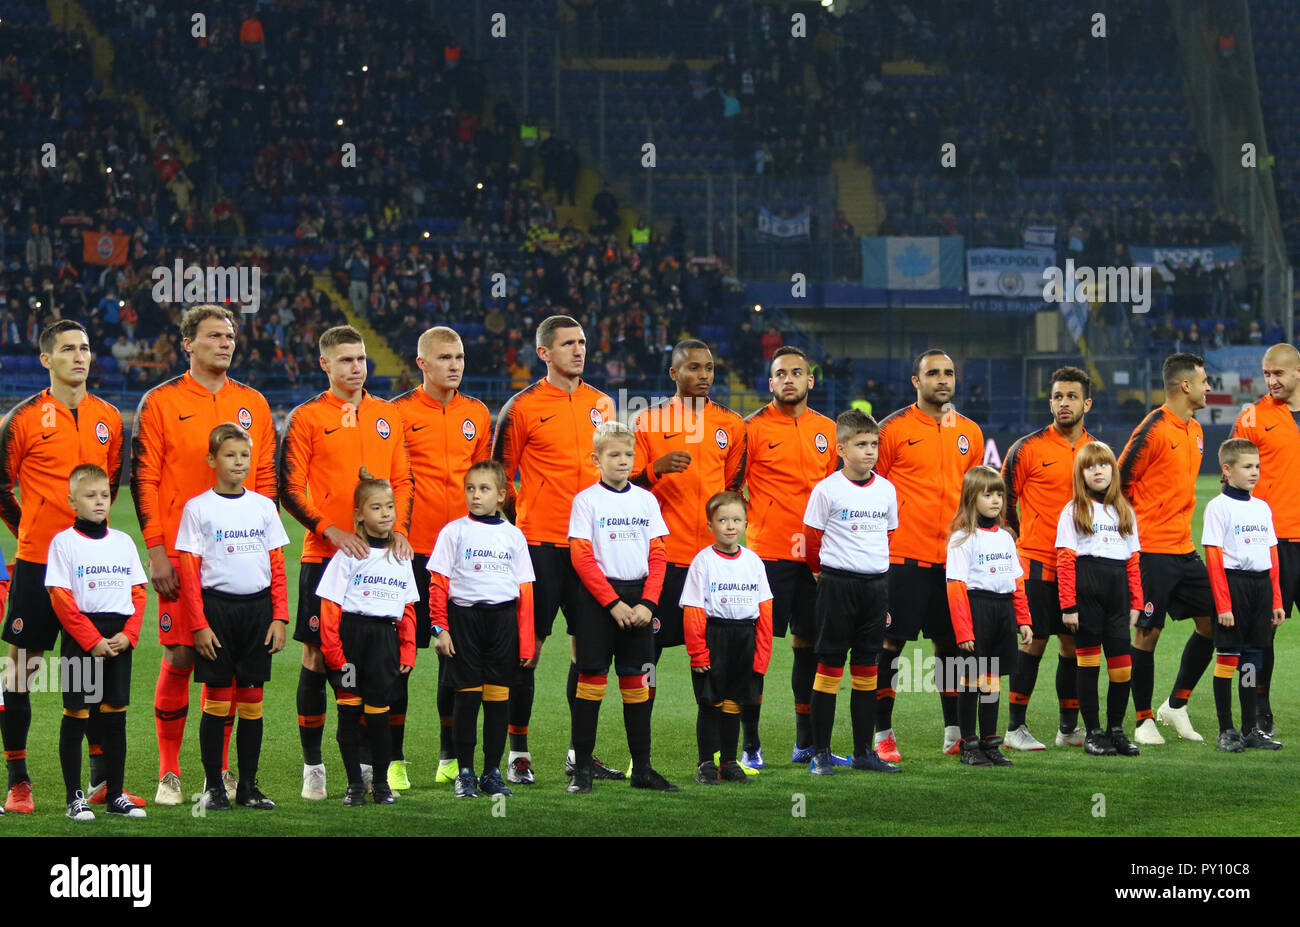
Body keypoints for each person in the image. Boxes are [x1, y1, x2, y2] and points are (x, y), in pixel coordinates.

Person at [131, 305, 276, 806]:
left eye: (231, 335)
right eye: (214, 335)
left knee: (234, 668)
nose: (226, 342)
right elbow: (144, 479)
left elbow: (266, 484)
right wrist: (155, 551)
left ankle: (223, 773)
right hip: (182, 557)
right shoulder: (161, 401)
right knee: (181, 654)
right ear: (187, 343)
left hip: (239, 565)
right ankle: (169, 772)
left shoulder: (253, 403)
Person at [279, 325, 413, 800]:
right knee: (317, 657)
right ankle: (314, 765)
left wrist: (400, 530)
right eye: (346, 360)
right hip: (326, 557)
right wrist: (328, 530)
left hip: (381, 559)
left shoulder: (387, 415)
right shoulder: (307, 417)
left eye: (361, 359)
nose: (357, 367)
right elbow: (289, 489)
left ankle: (367, 769)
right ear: (325, 365)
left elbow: (403, 479)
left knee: (378, 663)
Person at [0, 320, 127, 814]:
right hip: (35, 565)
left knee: (91, 670)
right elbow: (1, 487)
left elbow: (108, 486)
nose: (81, 356)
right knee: (21, 673)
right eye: (69, 349)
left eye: (87, 348)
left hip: (92, 571)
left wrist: (85, 541)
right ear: (46, 359)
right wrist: (30, 529)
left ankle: (98, 784)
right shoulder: (22, 419)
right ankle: (18, 782)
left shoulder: (110, 418)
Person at [492, 315, 615, 785]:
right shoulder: (522, 406)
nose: (578, 351)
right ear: (544, 353)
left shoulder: (602, 403)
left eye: (582, 342)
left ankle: (579, 755)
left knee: (589, 654)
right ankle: (518, 754)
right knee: (529, 651)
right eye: (568, 344)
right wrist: (524, 518)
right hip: (539, 546)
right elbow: (500, 474)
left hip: (592, 548)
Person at [630, 340, 747, 757]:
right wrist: (654, 470)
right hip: (664, 562)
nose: (704, 375)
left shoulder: (732, 425)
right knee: (648, 662)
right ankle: (639, 758)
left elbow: (733, 490)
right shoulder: (647, 422)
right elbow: (626, 487)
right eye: (694, 367)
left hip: (713, 565)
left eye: (710, 368)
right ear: (673, 374)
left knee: (715, 664)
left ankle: (715, 757)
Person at [390, 326, 491, 788]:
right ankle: (394, 759)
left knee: (456, 661)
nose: (455, 364)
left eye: (461, 357)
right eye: (445, 357)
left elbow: (486, 481)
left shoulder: (477, 413)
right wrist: (396, 534)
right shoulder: (396, 414)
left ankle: (450, 756)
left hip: (461, 557)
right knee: (399, 659)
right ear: (423, 364)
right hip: (408, 551)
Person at [875, 349, 985, 759]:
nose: (943, 379)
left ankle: (954, 731)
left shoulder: (970, 433)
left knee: (952, 648)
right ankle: (882, 734)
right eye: (933, 373)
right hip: (902, 559)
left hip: (954, 562)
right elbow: (870, 487)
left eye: (949, 373)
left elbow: (978, 496)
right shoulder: (892, 429)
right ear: (915, 382)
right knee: (889, 646)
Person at [175, 424, 289, 811]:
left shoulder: (262, 507)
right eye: (229, 455)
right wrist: (199, 625)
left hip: (257, 613)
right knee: (218, 702)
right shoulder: (198, 508)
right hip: (217, 612)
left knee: (252, 702)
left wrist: (280, 617)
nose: (239, 462)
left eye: (244, 455)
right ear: (212, 460)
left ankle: (249, 786)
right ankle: (214, 786)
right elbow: (189, 573)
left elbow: (277, 565)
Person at [565, 422, 676, 794]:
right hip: (599, 602)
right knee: (591, 681)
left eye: (629, 454)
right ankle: (581, 769)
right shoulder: (586, 501)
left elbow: (659, 554)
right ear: (596, 459)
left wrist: (648, 602)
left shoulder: (646, 500)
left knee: (637, 683)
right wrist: (612, 603)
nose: (623, 461)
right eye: (614, 455)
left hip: (640, 600)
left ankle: (642, 769)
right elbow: (581, 557)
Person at [742, 346, 839, 767]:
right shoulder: (751, 430)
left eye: (797, 373)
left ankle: (808, 745)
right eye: (780, 373)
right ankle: (749, 746)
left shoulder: (830, 431)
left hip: (818, 561)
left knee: (811, 649)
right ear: (770, 382)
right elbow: (730, 489)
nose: (789, 380)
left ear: (810, 380)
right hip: (769, 556)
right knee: (756, 652)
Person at [1118, 353, 1216, 745]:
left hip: (1184, 548)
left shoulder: (1195, 430)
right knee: (1147, 635)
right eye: (1205, 380)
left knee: (1214, 622)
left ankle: (1175, 705)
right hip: (1152, 551)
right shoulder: (1153, 428)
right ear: (1185, 385)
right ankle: (1143, 720)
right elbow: (1120, 482)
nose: (1210, 387)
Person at [46, 464, 148, 821]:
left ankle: (116, 794)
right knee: (77, 716)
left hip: (119, 639)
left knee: (115, 719)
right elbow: (60, 598)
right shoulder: (63, 543)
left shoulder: (123, 542)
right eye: (90, 496)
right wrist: (92, 641)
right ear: (72, 500)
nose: (100, 501)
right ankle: (75, 799)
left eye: (104, 494)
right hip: (82, 640)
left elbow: (138, 592)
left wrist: (128, 636)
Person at [801, 410, 901, 775]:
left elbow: (888, 536)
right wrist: (822, 572)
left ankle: (863, 753)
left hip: (875, 588)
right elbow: (812, 541)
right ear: (842, 448)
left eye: (874, 444)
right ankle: (821, 753)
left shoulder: (887, 490)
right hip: (837, 586)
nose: (870, 451)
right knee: (828, 669)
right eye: (861, 445)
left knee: (867, 671)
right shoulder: (827, 489)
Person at [1000, 366, 1094, 751]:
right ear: (1050, 401)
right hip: (1036, 562)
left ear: (1086, 402)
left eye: (1071, 396)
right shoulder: (1027, 448)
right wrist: (1019, 541)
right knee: (1032, 642)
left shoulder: (1095, 452)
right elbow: (1004, 499)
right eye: (1057, 396)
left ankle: (1068, 728)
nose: (1064, 403)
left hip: (1081, 565)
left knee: (1072, 645)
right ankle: (1014, 728)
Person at [429, 460, 535, 798]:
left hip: (502, 624)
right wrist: (439, 629)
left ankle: (491, 772)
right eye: (471, 488)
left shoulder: (514, 536)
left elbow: (525, 592)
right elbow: (438, 584)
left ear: (502, 496)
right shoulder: (453, 531)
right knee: (467, 700)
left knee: (497, 701)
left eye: (484, 489)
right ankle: (465, 772)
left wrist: (526, 642)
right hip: (464, 622)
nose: (475, 495)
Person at [316, 470, 418, 806]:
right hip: (352, 642)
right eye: (376, 508)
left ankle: (382, 785)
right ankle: (354, 786)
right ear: (359, 514)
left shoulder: (401, 555)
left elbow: (407, 610)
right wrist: (335, 654)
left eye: (389, 506)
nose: (386, 513)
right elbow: (330, 606)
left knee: (379, 716)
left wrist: (407, 651)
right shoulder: (349, 554)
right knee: (348, 714)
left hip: (383, 643)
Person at [1228, 343, 1300, 735]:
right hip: (1272, 542)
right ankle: (1257, 710)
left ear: (1297, 372)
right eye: (1267, 374)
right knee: (1260, 634)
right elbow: (1232, 476)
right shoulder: (1252, 417)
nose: (1271, 381)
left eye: (1279, 374)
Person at [1055, 442, 1143, 757]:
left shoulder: (1124, 510)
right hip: (1086, 591)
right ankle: (1093, 732)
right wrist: (1068, 606)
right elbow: (1065, 561)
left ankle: (1116, 730)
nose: (1098, 471)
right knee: (1089, 666)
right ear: (1081, 474)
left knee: (1122, 668)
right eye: (1090, 467)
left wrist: (1136, 602)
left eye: (1103, 465)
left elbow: (1133, 561)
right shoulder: (1074, 510)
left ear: (1112, 470)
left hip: (1117, 594)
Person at [681, 491, 773, 784]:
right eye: (722, 520)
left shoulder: (754, 562)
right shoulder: (702, 562)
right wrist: (698, 653)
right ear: (710, 525)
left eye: (736, 519)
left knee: (735, 702)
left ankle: (730, 762)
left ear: (746, 523)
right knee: (711, 701)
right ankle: (706, 763)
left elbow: (765, 611)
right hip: (714, 636)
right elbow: (694, 610)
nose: (730, 526)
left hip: (745, 638)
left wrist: (762, 656)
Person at [1200, 438, 1285, 752]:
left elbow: (1272, 558)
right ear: (1227, 469)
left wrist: (1276, 600)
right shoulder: (1218, 508)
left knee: (1251, 662)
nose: (1254, 472)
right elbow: (1213, 560)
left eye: (1257, 466)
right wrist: (1223, 604)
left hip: (1261, 589)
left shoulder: (1262, 507)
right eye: (1247, 466)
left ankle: (1250, 729)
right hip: (1233, 587)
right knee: (1227, 659)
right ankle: (1226, 730)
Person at [945, 466, 1033, 766]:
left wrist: (1023, 619)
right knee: (971, 682)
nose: (996, 501)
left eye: (999, 494)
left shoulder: (1007, 538)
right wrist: (964, 632)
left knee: (993, 682)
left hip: (1003, 612)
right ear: (971, 498)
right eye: (987, 494)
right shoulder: (961, 538)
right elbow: (956, 588)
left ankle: (990, 742)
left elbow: (1017, 581)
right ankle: (968, 745)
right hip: (976, 610)